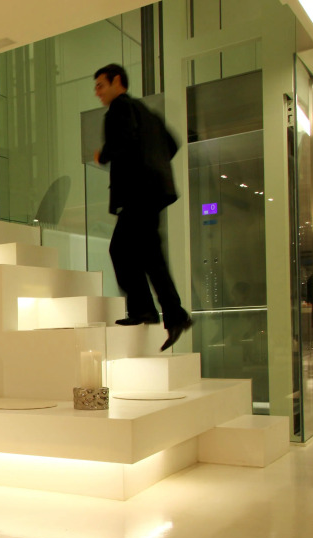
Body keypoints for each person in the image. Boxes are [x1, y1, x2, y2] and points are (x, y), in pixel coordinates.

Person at [93, 63, 193, 351]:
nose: (98, 93)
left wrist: (104, 155)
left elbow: (121, 140)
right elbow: (172, 144)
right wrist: (152, 163)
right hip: (152, 193)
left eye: (101, 85)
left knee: (121, 250)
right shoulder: (147, 113)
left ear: (117, 81)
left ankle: (148, 310)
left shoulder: (119, 109)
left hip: (137, 194)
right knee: (149, 255)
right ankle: (169, 313)